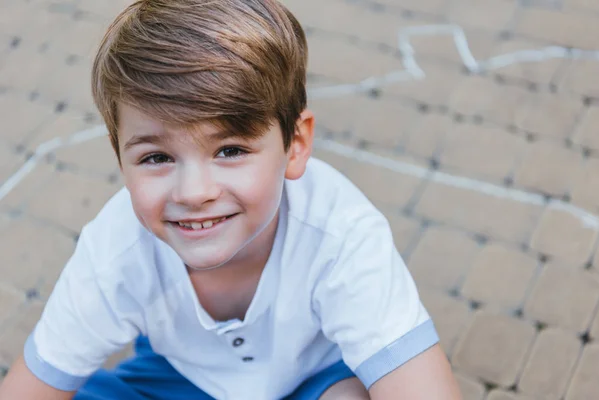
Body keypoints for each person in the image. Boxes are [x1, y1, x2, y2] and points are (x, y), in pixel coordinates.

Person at [0, 0, 461, 399]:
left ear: (295, 145)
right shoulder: (113, 250)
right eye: (157, 157)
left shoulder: (341, 234)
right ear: (119, 156)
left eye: (231, 150)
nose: (195, 193)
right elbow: (32, 384)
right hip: (175, 383)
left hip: (314, 381)